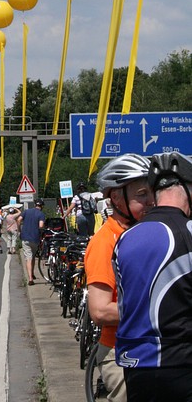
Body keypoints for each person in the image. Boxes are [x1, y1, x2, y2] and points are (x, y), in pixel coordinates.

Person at [112, 152, 192, 402]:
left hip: (136, 366)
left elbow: (125, 303)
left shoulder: (125, 238)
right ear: (188, 189)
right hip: (182, 362)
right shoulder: (188, 232)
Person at [84, 153, 153, 402]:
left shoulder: (147, 233)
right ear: (116, 198)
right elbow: (100, 311)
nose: (151, 200)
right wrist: (160, 311)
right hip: (121, 351)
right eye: (142, 194)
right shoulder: (106, 241)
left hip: (155, 348)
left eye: (153, 192)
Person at [20, 199, 45, 285]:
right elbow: (41, 225)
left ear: (35, 205)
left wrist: (20, 229)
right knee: (33, 256)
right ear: (42, 206)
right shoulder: (41, 214)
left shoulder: (26, 212)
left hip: (25, 237)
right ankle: (32, 273)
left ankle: (30, 278)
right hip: (35, 238)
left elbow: (19, 219)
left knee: (28, 257)